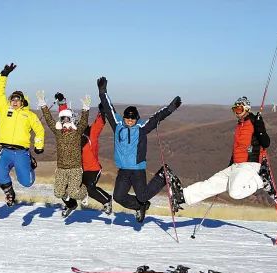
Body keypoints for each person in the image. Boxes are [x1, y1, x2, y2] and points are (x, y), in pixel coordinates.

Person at [97, 77, 182, 222]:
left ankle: (163, 176)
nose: (129, 122)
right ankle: (139, 206)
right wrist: (102, 91)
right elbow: (109, 108)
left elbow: (156, 118)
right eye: (127, 119)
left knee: (142, 195)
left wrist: (170, 108)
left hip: (137, 169)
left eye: (132, 119)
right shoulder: (117, 125)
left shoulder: (141, 128)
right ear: (123, 118)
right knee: (118, 197)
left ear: (137, 119)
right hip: (123, 170)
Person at [179, 96, 271, 207]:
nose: (236, 113)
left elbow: (266, 143)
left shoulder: (254, 122)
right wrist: (231, 163)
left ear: (247, 109)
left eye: (239, 110)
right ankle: (184, 196)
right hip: (236, 164)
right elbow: (238, 147)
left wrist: (260, 127)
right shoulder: (240, 125)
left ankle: (262, 180)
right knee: (212, 183)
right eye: (235, 110)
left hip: (249, 164)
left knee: (234, 192)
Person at [0, 63, 45, 206]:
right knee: (0, 173)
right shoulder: (4, 110)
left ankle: (30, 165)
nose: (15, 101)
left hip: (21, 153)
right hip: (5, 151)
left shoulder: (29, 115)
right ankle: (9, 193)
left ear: (22, 101)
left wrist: (39, 145)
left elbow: (39, 129)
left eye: (18, 99)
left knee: (27, 182)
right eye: (13, 99)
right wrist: (4, 75)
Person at [37, 91, 90, 218]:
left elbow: (83, 122)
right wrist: (43, 104)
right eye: (62, 118)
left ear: (71, 119)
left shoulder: (77, 132)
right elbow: (49, 120)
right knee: (58, 193)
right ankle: (71, 204)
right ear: (60, 120)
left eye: (67, 118)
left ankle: (84, 193)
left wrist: (86, 108)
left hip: (75, 169)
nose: (65, 121)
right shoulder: (58, 132)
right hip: (61, 169)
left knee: (73, 192)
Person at [81, 103, 112, 214]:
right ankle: (70, 204)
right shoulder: (73, 138)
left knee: (89, 188)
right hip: (82, 170)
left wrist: (102, 111)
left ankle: (107, 200)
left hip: (93, 169)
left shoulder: (90, 134)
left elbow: (99, 124)